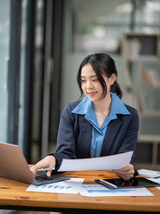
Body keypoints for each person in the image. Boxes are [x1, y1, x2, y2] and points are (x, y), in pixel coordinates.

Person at [32, 53, 139, 181]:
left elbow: (126, 159)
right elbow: (65, 153)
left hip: (111, 186)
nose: (88, 86)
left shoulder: (130, 116)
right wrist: (53, 158)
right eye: (83, 80)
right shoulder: (71, 112)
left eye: (95, 80)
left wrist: (128, 170)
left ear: (112, 79)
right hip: (76, 185)